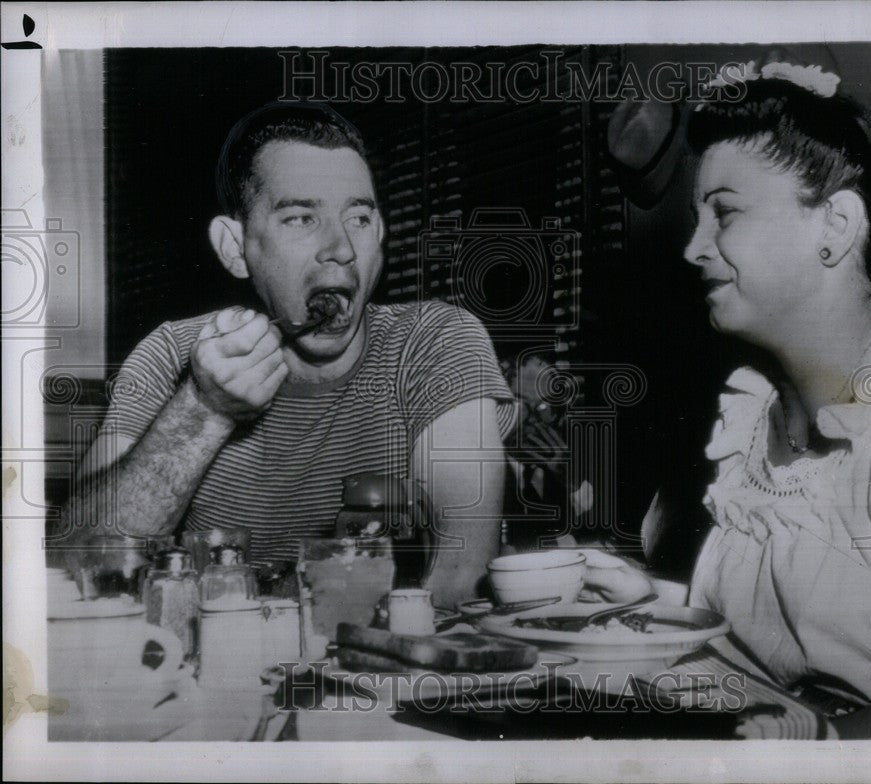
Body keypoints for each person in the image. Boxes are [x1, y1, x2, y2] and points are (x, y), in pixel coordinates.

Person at [640, 63, 871, 738]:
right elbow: (753, 659)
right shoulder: (749, 428)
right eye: (696, 218)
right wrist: (639, 606)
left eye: (726, 212)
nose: (693, 248)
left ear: (834, 225)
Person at [57, 102, 517, 608]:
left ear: (381, 235)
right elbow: (76, 565)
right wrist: (203, 410)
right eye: (301, 217)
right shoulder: (170, 356)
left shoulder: (435, 342)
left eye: (359, 217)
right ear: (235, 248)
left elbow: (462, 572)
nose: (341, 247)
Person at [500, 352, 594, 552]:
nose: (535, 417)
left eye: (544, 405)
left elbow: (590, 536)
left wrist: (572, 483)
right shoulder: (485, 468)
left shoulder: (565, 463)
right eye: (523, 402)